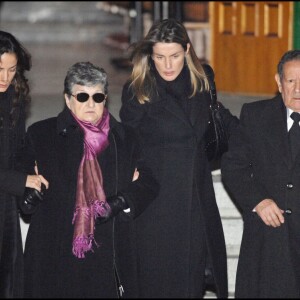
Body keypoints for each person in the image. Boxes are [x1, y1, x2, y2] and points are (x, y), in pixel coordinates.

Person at [119, 18, 239, 298]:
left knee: (191, 279)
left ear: (186, 49)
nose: (168, 65)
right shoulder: (138, 88)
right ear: (151, 55)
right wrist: (128, 169)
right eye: (159, 57)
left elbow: (222, 121)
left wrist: (261, 137)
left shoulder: (203, 80)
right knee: (157, 280)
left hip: (196, 196)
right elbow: (126, 139)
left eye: (174, 56)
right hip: (157, 200)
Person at [20, 61, 159, 298]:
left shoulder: (125, 138)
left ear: (106, 99)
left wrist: (120, 202)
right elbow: (23, 177)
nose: (90, 104)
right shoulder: (41, 135)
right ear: (67, 99)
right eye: (82, 96)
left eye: (97, 97)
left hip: (106, 250)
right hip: (55, 250)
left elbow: (149, 182)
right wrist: (28, 197)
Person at [221, 49, 300, 298]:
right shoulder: (255, 115)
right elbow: (234, 167)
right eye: (291, 81)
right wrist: (258, 200)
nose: (298, 89)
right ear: (279, 82)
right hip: (268, 244)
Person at [0, 30, 49, 298]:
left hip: (6, 205)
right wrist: (21, 181)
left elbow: (18, 149)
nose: (5, 77)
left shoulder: (14, 98)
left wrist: (31, 171)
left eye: (11, 69)